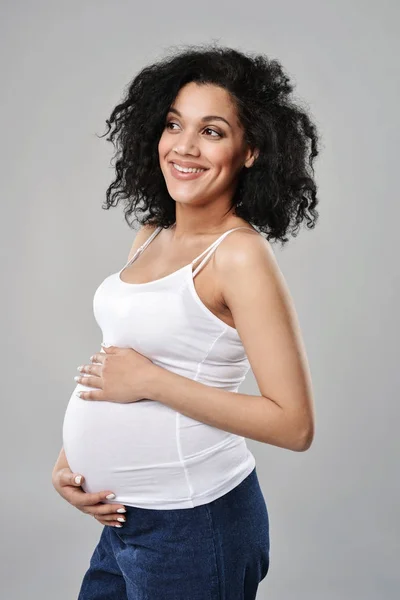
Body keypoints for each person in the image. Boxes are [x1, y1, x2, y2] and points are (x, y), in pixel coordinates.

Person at [52, 43, 319, 599]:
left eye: (213, 131)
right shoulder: (150, 234)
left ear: (250, 151)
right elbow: (117, 357)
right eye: (175, 124)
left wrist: (151, 383)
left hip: (195, 525)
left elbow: (293, 425)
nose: (185, 146)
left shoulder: (239, 255)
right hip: (126, 521)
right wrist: (70, 460)